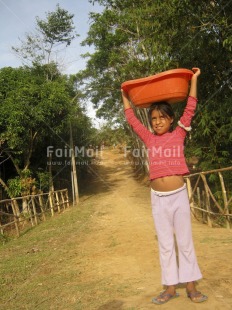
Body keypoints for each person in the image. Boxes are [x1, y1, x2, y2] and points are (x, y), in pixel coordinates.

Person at [121, 68, 208, 305]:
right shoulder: (149, 139)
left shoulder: (179, 133)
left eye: (162, 118)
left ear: (171, 119)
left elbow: (191, 105)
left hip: (178, 196)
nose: (157, 122)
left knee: (185, 242)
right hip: (158, 198)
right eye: (154, 119)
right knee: (166, 244)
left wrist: (193, 80)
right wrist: (125, 92)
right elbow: (130, 117)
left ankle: (191, 286)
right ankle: (170, 288)